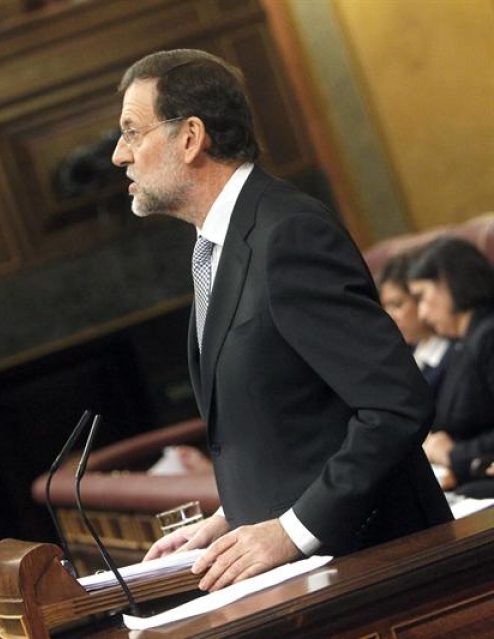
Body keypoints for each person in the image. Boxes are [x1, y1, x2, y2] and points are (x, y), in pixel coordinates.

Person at [111, 49, 452, 591]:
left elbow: (394, 404)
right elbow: (296, 419)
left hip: (383, 573)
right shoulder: (216, 247)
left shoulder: (289, 233)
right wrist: (233, 518)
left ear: (190, 137)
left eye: (132, 131)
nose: (118, 155)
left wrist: (293, 532)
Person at [408, 237, 494, 497]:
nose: (421, 314)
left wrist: (453, 453)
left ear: (447, 283)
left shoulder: (488, 335)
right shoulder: (463, 343)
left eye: (422, 297)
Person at [377, 251, 451, 398]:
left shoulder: (456, 352)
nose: (390, 317)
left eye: (397, 305)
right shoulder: (405, 356)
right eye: (386, 308)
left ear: (419, 298)